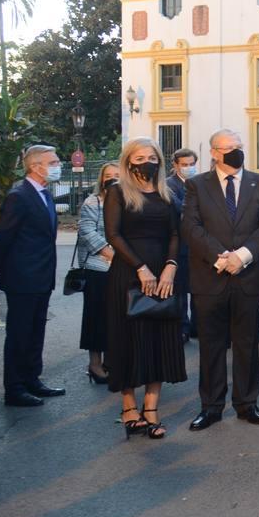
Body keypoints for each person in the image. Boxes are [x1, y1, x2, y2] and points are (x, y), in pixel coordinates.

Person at [182, 129, 259, 430]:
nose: (236, 152)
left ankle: (247, 403)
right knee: (211, 344)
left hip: (250, 275)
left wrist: (243, 256)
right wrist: (222, 258)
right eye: (229, 148)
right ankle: (211, 406)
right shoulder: (197, 185)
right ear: (214, 152)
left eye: (239, 146)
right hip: (210, 276)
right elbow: (191, 226)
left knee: (247, 343)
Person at [103, 138, 185, 439]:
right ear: (128, 161)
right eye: (140, 157)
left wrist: (171, 266)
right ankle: (129, 407)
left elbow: (177, 233)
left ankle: (151, 407)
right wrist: (140, 267)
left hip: (164, 274)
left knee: (159, 339)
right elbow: (113, 234)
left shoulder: (167, 193)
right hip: (128, 272)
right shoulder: (117, 192)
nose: (146, 161)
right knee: (127, 339)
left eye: (152, 157)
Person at [0, 144, 65, 408]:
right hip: (22, 279)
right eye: (54, 162)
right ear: (36, 166)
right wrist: (5, 272)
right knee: (19, 334)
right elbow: (2, 239)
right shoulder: (19, 196)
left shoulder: (44, 194)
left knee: (36, 331)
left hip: (42, 276)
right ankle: (14, 388)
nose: (59, 166)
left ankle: (32, 379)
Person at [77, 162, 120, 384]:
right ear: (101, 180)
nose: (112, 179)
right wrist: (113, 254)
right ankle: (95, 364)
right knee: (96, 318)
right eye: (108, 176)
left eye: (117, 175)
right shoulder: (92, 202)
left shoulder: (127, 201)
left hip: (122, 269)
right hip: (98, 267)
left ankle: (113, 362)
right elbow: (86, 231)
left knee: (116, 318)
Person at [167, 148, 199, 342]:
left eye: (192, 164)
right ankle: (182, 327)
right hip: (179, 245)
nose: (189, 168)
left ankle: (198, 326)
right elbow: (180, 211)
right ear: (176, 165)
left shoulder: (200, 183)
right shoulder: (169, 185)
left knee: (198, 289)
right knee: (179, 290)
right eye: (185, 165)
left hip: (199, 246)